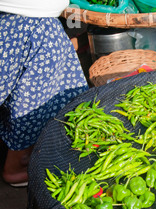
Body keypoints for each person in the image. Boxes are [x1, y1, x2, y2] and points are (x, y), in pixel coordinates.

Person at [0, 0, 89, 187]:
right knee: (45, 84)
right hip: (26, 20)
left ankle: (25, 154)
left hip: (25, 17)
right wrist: (73, 32)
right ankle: (19, 161)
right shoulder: (40, 29)